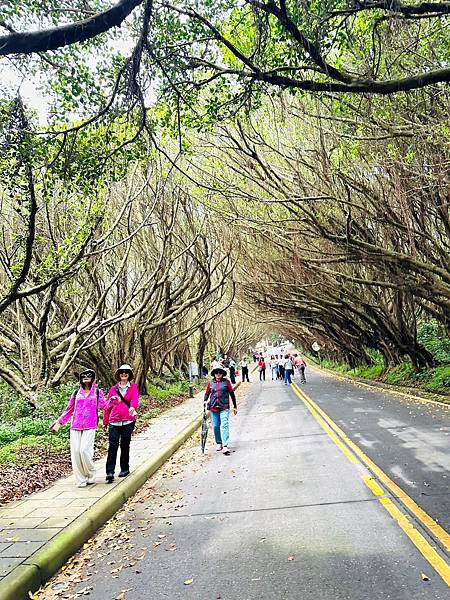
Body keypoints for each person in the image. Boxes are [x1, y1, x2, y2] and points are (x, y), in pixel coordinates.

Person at [51, 369, 107, 488]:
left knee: (84, 451)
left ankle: (90, 474)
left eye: (89, 375)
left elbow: (104, 406)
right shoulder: (76, 393)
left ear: (93, 378)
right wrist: (59, 423)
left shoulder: (97, 392)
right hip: (75, 425)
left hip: (90, 425)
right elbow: (69, 409)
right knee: (76, 453)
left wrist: (113, 402)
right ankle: (81, 479)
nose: (86, 377)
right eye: (84, 376)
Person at [103, 364, 139, 483]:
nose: (124, 374)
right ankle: (110, 472)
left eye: (126, 372)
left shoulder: (133, 387)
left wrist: (133, 407)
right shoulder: (113, 389)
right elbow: (107, 406)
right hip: (114, 421)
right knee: (112, 446)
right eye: (121, 372)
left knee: (125, 445)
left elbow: (134, 399)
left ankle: (124, 468)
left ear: (129, 375)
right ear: (118, 374)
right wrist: (105, 421)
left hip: (128, 420)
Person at [204, 367, 237, 455]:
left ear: (222, 374)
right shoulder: (211, 383)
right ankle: (219, 442)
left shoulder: (226, 382)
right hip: (213, 407)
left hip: (224, 407)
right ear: (214, 374)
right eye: (216, 373)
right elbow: (207, 393)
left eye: (220, 373)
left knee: (224, 424)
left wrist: (235, 406)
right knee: (215, 426)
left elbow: (232, 393)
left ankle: (225, 445)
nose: (218, 374)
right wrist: (205, 401)